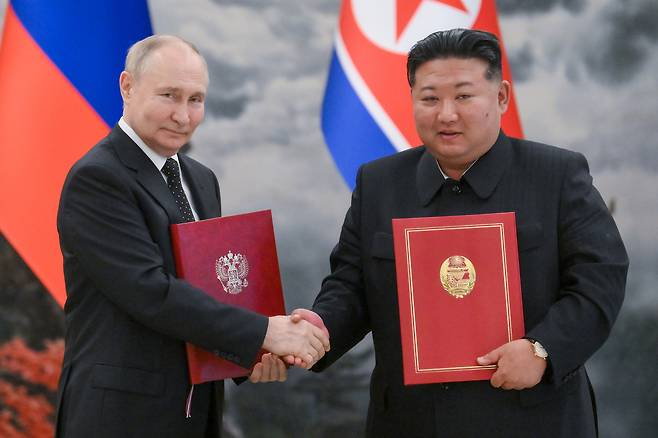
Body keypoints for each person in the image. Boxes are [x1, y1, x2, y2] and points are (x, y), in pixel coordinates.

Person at [292, 28, 628, 437]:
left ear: (501, 96)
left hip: (534, 418)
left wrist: (544, 350)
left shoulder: (556, 175)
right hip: (409, 422)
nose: (446, 114)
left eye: (464, 96)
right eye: (430, 98)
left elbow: (599, 283)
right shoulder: (380, 182)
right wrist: (317, 329)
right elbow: (351, 284)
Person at [55, 35, 329, 438]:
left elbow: (211, 290)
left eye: (195, 99)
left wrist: (253, 355)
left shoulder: (200, 179)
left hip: (195, 413)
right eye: (169, 95)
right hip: (119, 416)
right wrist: (265, 332)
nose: (183, 116)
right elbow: (151, 292)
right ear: (127, 87)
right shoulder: (97, 178)